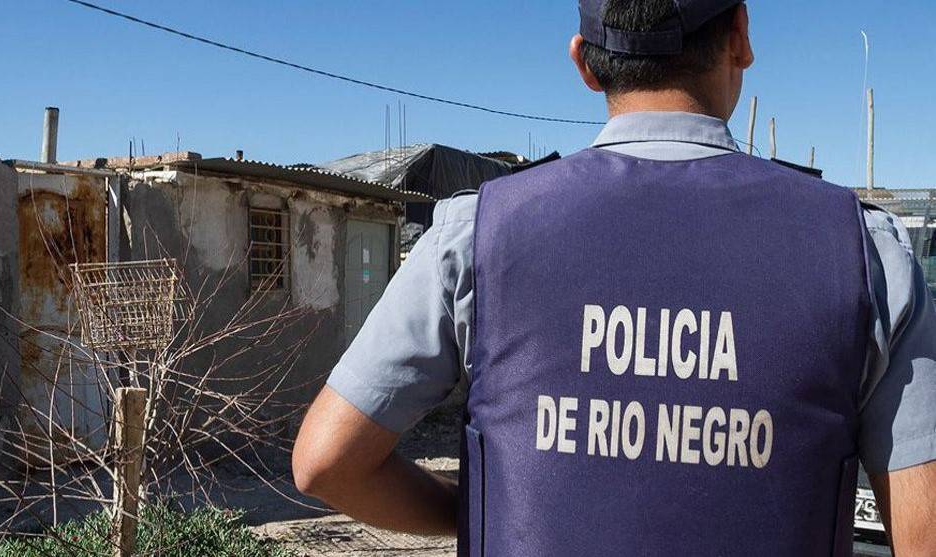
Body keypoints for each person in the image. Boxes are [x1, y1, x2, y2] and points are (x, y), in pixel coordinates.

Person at [293, 1, 936, 554]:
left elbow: (325, 461)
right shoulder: (864, 250)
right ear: (740, 36)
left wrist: (478, 510)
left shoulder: (477, 234)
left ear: (584, 61)